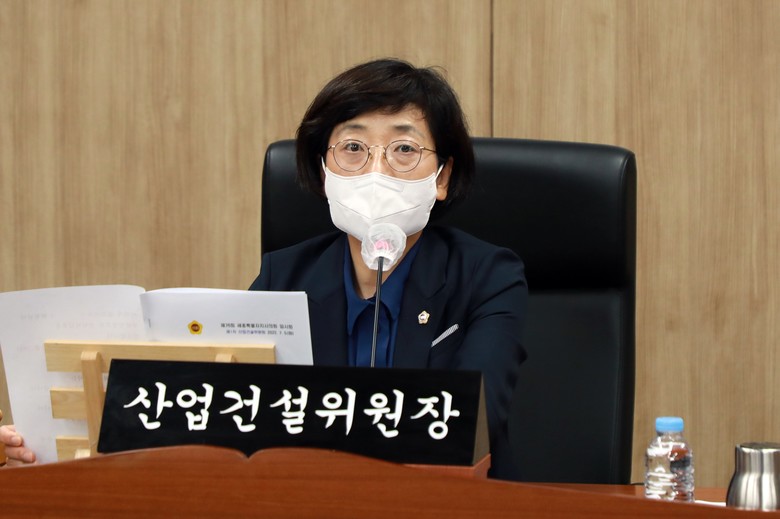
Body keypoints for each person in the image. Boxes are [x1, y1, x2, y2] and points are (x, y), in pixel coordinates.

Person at [1, 58, 527, 478]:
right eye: (352, 147)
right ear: (324, 170)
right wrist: (39, 446)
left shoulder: (487, 276)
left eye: (404, 149)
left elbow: (473, 423)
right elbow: (221, 417)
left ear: (442, 176)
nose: (376, 170)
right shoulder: (284, 276)